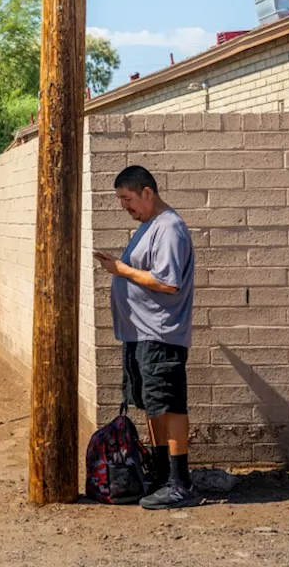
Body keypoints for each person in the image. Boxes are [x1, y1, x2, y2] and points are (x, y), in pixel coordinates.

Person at [93, 165, 197, 510]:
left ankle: (180, 483)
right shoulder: (149, 226)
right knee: (152, 404)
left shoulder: (169, 228)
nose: (125, 206)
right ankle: (161, 472)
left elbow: (168, 283)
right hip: (141, 334)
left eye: (128, 199)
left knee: (169, 404)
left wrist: (120, 269)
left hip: (161, 334)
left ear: (147, 193)